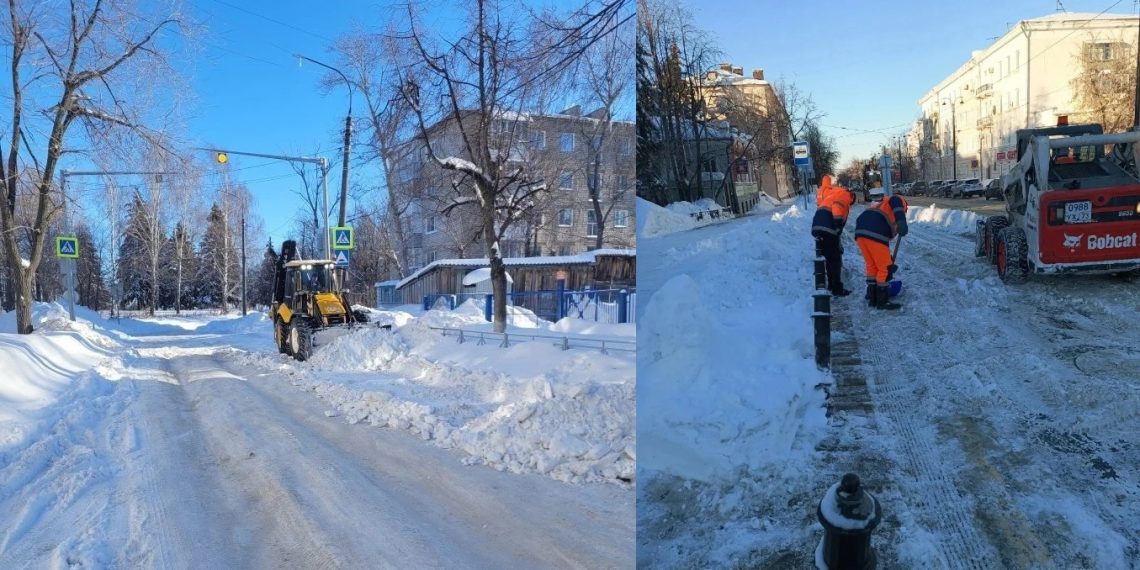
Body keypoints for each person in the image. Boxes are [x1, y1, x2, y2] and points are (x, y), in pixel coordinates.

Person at [854, 193, 909, 310]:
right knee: (885, 268)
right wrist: (901, 221)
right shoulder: (897, 200)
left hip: (861, 231)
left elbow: (880, 248)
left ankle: (872, 297)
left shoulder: (881, 205)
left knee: (872, 265)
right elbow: (896, 201)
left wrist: (887, 258)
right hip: (874, 231)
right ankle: (882, 301)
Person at [811, 176, 856, 296]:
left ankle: (831, 285)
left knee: (828, 258)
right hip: (827, 227)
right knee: (835, 259)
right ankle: (836, 289)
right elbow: (837, 207)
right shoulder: (844, 195)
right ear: (851, 196)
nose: (850, 204)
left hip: (817, 225)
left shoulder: (832, 194)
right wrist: (837, 225)